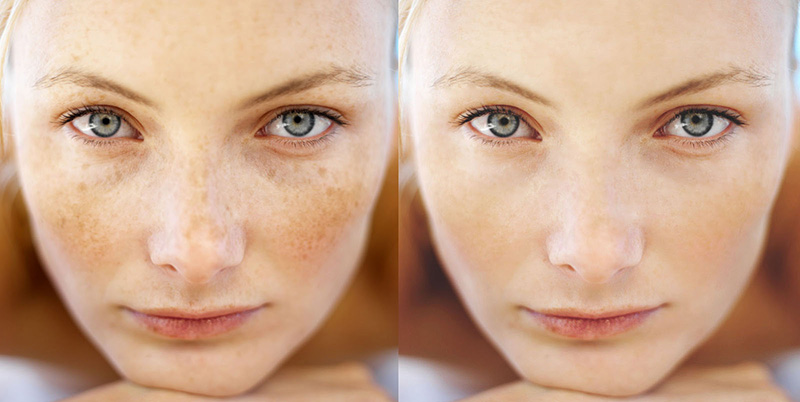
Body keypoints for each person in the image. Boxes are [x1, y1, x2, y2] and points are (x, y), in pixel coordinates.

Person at [398, 0, 800, 400]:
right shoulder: (367, 271)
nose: (595, 259)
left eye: (697, 122)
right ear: (406, 118)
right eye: (502, 123)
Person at [0, 0, 397, 399]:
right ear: (10, 118)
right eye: (104, 123)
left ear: (395, 118)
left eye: (298, 121)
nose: (197, 258)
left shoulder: (420, 274)